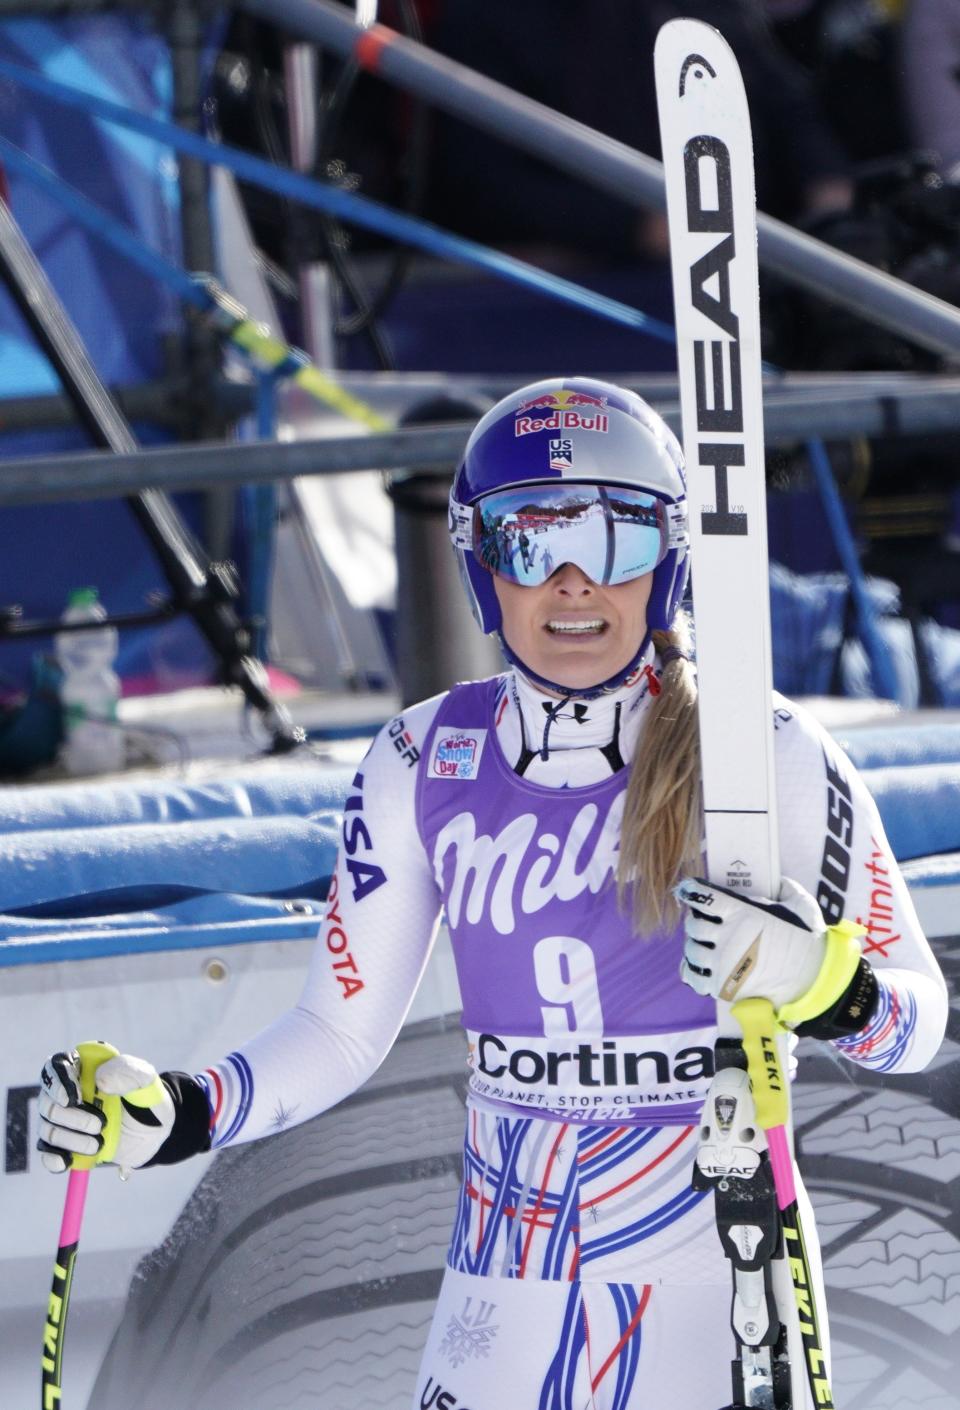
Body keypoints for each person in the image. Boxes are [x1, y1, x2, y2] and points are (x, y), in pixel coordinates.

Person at [38, 378, 948, 1410]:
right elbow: (338, 1035)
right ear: (480, 566)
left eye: (614, 542)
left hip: (711, 1297)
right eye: (529, 542)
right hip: (500, 1306)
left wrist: (826, 986)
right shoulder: (422, 755)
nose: (570, 584)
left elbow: (916, 1024)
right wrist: (182, 1111)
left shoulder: (766, 750)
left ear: (670, 561)